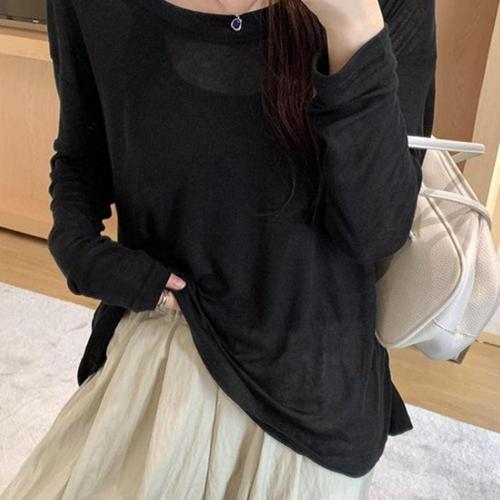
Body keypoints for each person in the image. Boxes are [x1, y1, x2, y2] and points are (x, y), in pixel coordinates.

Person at [1, 0, 436, 498]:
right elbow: (82, 152)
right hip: (161, 345)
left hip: (311, 391)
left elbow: (376, 231)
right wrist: (77, 250)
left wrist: (353, 26)